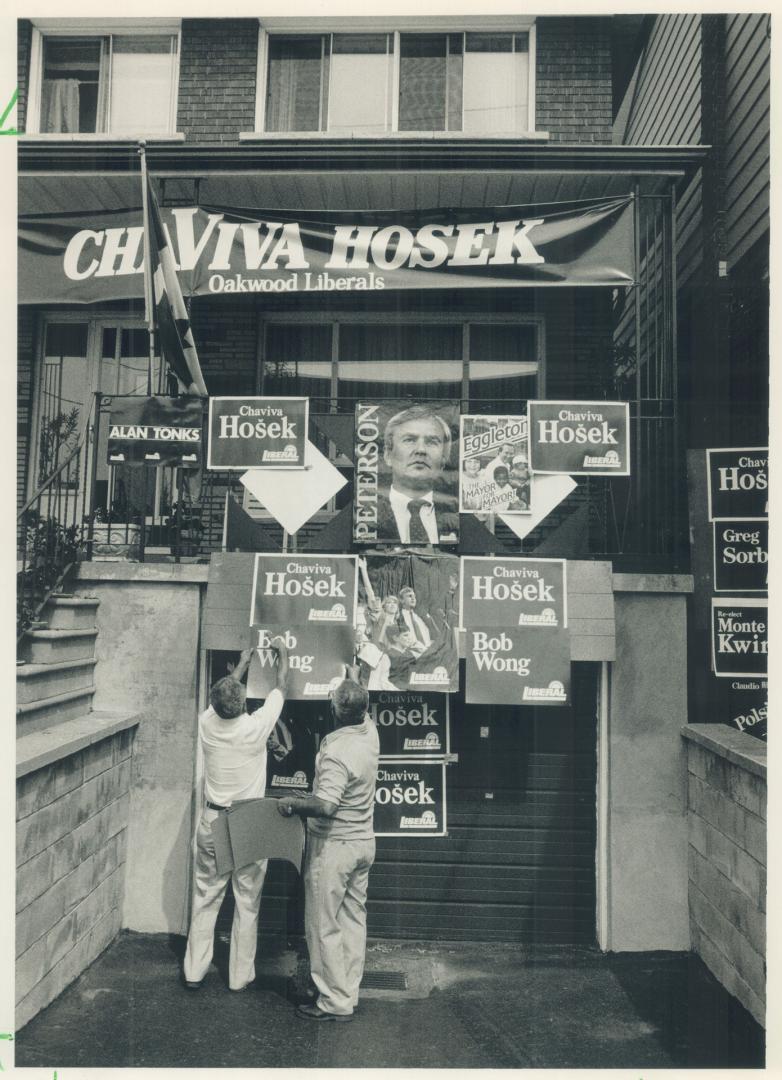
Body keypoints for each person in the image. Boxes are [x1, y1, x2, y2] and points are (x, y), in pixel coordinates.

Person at [182, 638, 289, 992]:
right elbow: (282, 685)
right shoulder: (256, 727)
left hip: (212, 823)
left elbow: (224, 696)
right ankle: (239, 977)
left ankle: (194, 971)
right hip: (247, 824)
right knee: (247, 903)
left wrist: (242, 662)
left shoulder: (206, 723)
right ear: (242, 702)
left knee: (205, 898)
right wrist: (282, 656)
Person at [277, 679, 379, 1022]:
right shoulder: (370, 732)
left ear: (335, 710)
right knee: (352, 920)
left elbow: (325, 806)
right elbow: (357, 701)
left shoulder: (338, 753)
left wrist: (292, 802)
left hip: (334, 847)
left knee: (323, 925)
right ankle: (347, 992)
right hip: (363, 842)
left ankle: (333, 1001)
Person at [376, 404, 458, 544]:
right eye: (409, 440)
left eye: (432, 442)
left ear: (444, 460)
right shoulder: (367, 515)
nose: (421, 450)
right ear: (388, 455)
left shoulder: (457, 515)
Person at [397, 585, 432, 654]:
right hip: (412, 653)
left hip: (428, 652)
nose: (413, 598)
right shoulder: (399, 617)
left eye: (414, 597)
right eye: (409, 596)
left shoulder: (420, 617)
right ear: (402, 600)